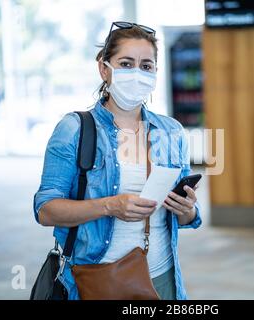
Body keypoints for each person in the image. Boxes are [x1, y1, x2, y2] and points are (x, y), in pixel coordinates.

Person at [33, 21, 202, 300]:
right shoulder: (75, 129)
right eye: (126, 63)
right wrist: (110, 206)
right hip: (98, 280)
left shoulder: (171, 132)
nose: (137, 73)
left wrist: (187, 209)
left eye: (146, 66)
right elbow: (46, 210)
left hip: (162, 279)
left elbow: (186, 218)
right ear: (104, 68)